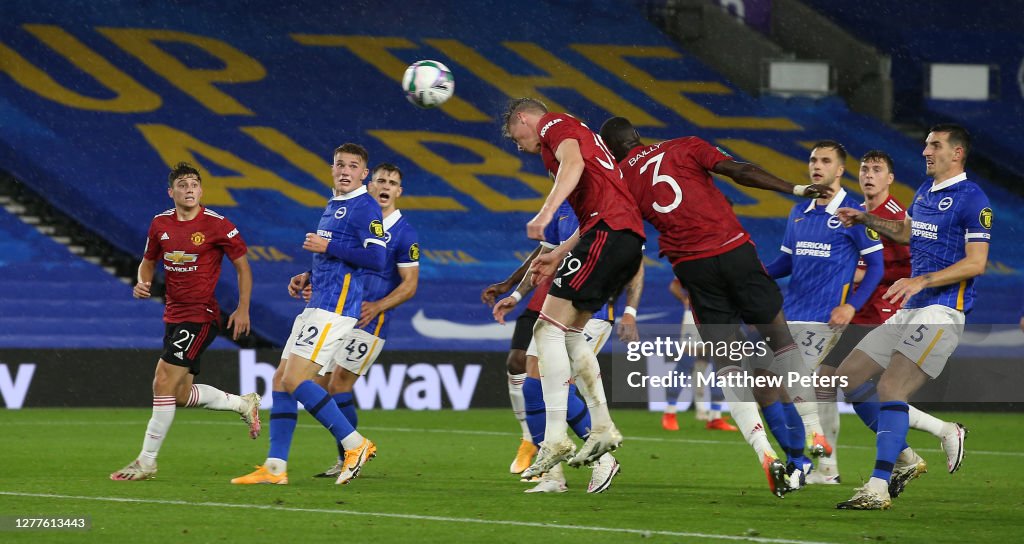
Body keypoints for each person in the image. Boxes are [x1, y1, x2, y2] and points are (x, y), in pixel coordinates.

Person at [599, 116, 832, 498]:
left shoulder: (621, 179)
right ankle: (813, 432)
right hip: (733, 250)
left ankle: (766, 455)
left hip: (694, 268)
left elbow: (622, 235)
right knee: (781, 341)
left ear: (611, 151)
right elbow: (739, 171)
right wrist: (794, 187)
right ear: (638, 137)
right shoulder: (684, 145)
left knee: (729, 365)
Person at [834, 124, 989, 510]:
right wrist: (865, 218)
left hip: (942, 310)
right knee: (848, 377)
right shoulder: (923, 193)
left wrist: (923, 280)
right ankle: (918, 448)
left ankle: (877, 486)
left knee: (891, 389)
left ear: (956, 153)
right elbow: (906, 233)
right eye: (925, 144)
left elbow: (977, 262)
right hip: (911, 308)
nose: (925, 151)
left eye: (934, 145)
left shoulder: (973, 199)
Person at [502, 98, 645, 479]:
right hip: (618, 235)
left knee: (547, 329)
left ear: (523, 118)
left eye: (515, 135)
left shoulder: (556, 125)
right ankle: (601, 427)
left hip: (608, 232)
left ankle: (556, 437)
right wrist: (559, 253)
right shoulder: (567, 147)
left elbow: (574, 163)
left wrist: (546, 212)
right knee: (567, 333)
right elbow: (589, 212)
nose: (517, 145)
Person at [231, 143, 387, 486]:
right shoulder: (335, 205)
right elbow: (336, 257)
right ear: (332, 169)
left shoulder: (365, 207)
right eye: (339, 165)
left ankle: (355, 444)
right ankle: (275, 468)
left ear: (364, 173)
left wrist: (326, 246)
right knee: (280, 381)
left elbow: (377, 260)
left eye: (353, 166)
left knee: (296, 379)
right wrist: (309, 274)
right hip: (317, 302)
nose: (345, 171)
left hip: (336, 308)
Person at [111, 161, 258, 481]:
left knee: (161, 381)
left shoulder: (218, 225)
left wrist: (243, 307)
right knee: (178, 394)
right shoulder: (160, 224)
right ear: (171, 192)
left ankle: (146, 461)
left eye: (194, 184)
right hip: (173, 315)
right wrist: (142, 281)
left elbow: (243, 267)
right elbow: (148, 262)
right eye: (182, 185)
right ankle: (242, 403)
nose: (189, 189)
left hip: (201, 315)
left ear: (201, 191)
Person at [492, 201, 640, 493]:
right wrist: (518, 295)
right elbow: (546, 256)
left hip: (591, 314)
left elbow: (635, 265)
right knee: (533, 389)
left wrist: (630, 312)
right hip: (555, 312)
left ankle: (603, 459)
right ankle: (552, 476)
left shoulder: (610, 201)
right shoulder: (562, 206)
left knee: (561, 387)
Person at [764, 141, 885, 486]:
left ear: (839, 169)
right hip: (790, 317)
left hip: (823, 320)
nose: (817, 165)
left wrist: (851, 306)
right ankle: (823, 467)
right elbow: (785, 262)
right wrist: (751, 272)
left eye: (825, 161)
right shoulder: (799, 212)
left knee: (781, 388)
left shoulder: (853, 212)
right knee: (803, 390)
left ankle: (800, 465)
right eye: (813, 159)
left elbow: (875, 267)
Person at [308, 163, 420, 478]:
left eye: (393, 182)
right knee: (319, 385)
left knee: (339, 383)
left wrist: (378, 306)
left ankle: (351, 454)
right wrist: (309, 278)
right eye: (381, 180)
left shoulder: (404, 232)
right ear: (370, 185)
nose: (386, 186)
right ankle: (349, 450)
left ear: (399, 191)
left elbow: (409, 284)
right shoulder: (360, 219)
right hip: (340, 310)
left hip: (371, 321)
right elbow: (340, 259)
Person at [663, 279, 737, 432]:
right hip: (695, 316)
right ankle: (670, 412)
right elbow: (674, 285)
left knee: (721, 366)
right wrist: (685, 300)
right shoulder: (696, 260)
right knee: (686, 362)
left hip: (720, 319)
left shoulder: (727, 262)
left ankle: (715, 416)